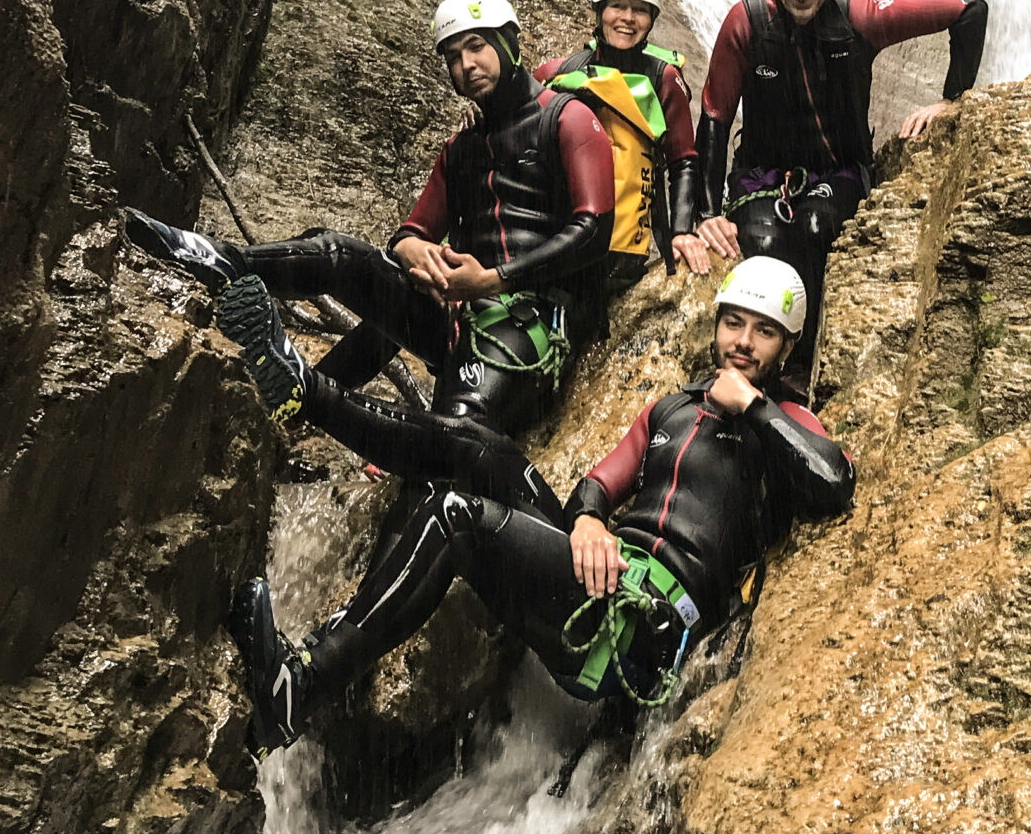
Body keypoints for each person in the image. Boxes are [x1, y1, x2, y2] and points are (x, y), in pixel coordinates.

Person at [219, 255, 854, 754]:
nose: (744, 342)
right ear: (716, 324)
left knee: (455, 515)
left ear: (786, 346)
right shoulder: (671, 408)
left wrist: (755, 406)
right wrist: (588, 522)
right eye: (734, 322)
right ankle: (308, 393)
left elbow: (832, 481)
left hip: (651, 626)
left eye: (765, 331)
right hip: (596, 582)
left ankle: (304, 684)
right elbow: (598, 484)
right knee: (481, 450)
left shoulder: (789, 425)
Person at [122, 0, 615, 514]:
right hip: (457, 320)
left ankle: (310, 393)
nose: (466, 65)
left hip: (532, 330)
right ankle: (219, 261)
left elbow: (594, 231)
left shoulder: (569, 119)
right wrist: (412, 252)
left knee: (453, 441)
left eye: (476, 46)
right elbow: (409, 232)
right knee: (340, 255)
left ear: (509, 42)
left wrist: (492, 280)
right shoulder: (461, 149)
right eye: (453, 56)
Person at [677, 0, 987, 395]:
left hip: (839, 172)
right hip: (761, 175)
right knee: (761, 241)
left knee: (815, 228)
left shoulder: (861, 18)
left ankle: (801, 372)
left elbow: (969, 10)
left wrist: (952, 100)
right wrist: (708, 213)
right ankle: (755, 370)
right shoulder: (747, 22)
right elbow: (715, 116)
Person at [535, 0, 702, 300]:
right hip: (559, 242)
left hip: (624, 255)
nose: (627, 18)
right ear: (599, 12)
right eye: (617, 7)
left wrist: (681, 231)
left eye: (640, 10)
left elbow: (683, 161)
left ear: (651, 19)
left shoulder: (664, 78)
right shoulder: (557, 73)